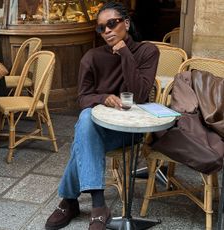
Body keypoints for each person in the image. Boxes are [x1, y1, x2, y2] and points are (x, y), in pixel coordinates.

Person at [45, 2, 159, 230]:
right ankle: (99, 206)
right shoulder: (92, 57)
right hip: (99, 127)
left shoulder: (147, 52)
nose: (107, 30)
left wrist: (124, 52)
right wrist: (103, 97)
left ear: (126, 23)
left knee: (83, 139)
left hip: (129, 131)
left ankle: (69, 200)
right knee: (87, 118)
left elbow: (139, 93)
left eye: (112, 24)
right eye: (101, 28)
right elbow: (83, 98)